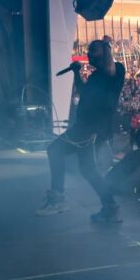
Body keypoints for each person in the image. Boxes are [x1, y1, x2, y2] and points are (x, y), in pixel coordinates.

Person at [37, 39, 126, 222]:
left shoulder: (112, 73)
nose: (88, 54)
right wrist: (78, 73)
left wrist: (78, 72)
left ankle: (57, 199)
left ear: (104, 53)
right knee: (88, 170)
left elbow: (89, 91)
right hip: (89, 129)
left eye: (93, 51)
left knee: (54, 150)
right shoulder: (101, 75)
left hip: (89, 130)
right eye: (88, 51)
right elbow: (85, 92)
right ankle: (111, 208)